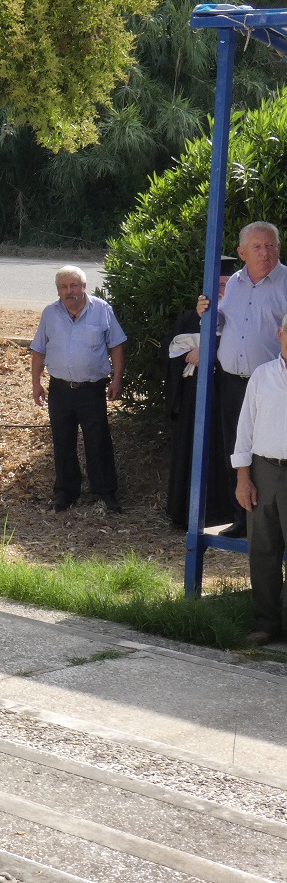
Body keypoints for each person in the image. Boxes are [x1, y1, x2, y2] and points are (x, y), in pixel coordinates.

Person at [198, 221, 287, 538]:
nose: (265, 253)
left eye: (271, 245)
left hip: (273, 388)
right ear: (241, 252)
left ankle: (271, 524)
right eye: (257, 247)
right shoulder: (234, 283)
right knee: (236, 450)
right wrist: (207, 312)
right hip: (233, 382)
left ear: (279, 247)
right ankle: (242, 519)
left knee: (268, 455)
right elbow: (224, 321)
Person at [30, 266, 126, 514]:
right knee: (62, 442)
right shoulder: (50, 313)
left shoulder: (102, 310)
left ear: (84, 287)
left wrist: (117, 380)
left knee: (98, 441)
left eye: (73, 285)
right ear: (58, 290)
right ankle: (65, 492)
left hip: (91, 390)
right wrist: (35, 382)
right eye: (64, 287)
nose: (69, 291)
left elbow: (116, 346)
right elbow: (39, 349)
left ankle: (105, 493)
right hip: (60, 389)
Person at [232, 313, 287, 646]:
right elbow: (245, 429)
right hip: (263, 470)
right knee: (263, 550)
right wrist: (243, 478)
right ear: (280, 333)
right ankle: (267, 623)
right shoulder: (262, 376)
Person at [164, 271, 234, 529]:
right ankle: (185, 514)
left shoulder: (238, 317)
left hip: (225, 397)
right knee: (190, 451)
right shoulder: (191, 317)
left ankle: (223, 515)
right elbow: (169, 355)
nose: (220, 290)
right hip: (193, 401)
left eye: (226, 285)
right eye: (216, 285)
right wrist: (189, 354)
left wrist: (208, 352)